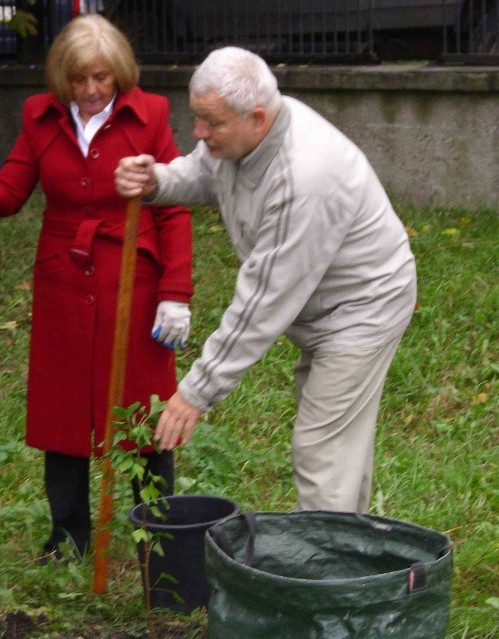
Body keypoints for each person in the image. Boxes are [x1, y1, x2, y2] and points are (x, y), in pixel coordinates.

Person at [115, 47, 417, 513]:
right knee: (334, 445)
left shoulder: (304, 177)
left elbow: (262, 302)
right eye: (196, 118)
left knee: (321, 449)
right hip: (320, 304)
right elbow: (203, 170)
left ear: (256, 117)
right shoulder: (243, 136)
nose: (198, 132)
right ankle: (352, 556)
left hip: (363, 306)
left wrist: (195, 393)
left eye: (209, 122)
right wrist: (158, 180)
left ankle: (323, 575)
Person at [0, 15, 193, 560]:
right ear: (63, 77)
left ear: (119, 73)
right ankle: (69, 535)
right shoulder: (40, 117)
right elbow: (11, 190)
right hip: (63, 282)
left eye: (101, 78)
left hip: (134, 279)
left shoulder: (148, 115)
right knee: (64, 410)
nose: (91, 90)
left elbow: (172, 203)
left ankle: (158, 535)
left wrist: (176, 292)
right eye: (79, 79)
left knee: (143, 411)